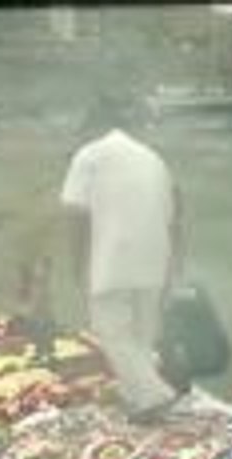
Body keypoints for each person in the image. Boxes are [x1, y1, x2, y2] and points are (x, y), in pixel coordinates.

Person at [59, 93, 185, 423]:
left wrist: (77, 264)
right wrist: (175, 265)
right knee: (142, 334)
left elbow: (74, 214)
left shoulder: (89, 155)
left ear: (93, 126)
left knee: (110, 330)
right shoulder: (153, 157)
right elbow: (177, 214)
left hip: (112, 258)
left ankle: (153, 395)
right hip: (155, 256)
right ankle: (136, 397)